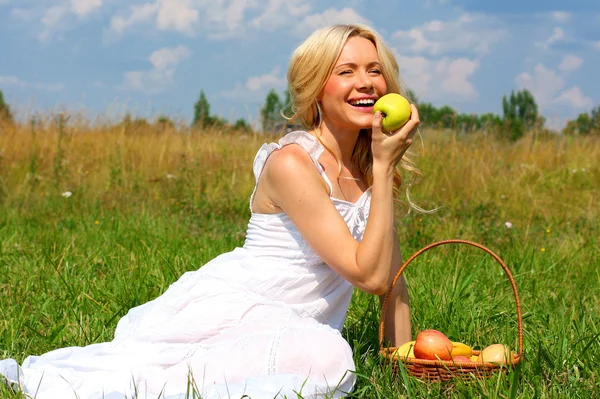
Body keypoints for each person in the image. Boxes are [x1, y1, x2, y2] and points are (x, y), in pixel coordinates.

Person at [0, 24, 421, 399]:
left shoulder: (368, 171)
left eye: (374, 70)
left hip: (298, 328)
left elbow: (391, 282)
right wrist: (384, 169)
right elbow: (367, 276)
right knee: (328, 356)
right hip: (246, 307)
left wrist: (405, 372)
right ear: (315, 88)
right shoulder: (293, 163)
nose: (365, 83)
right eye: (346, 71)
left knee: (327, 353)